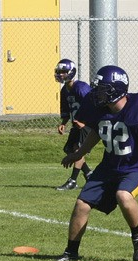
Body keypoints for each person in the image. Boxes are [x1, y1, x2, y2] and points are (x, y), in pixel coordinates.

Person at [57, 65, 138, 261]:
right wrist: (79, 154)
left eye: (103, 89)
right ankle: (71, 252)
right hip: (109, 166)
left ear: (116, 90)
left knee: (123, 195)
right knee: (82, 204)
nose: (97, 93)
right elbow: (97, 131)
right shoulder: (100, 109)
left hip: (137, 166)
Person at [54, 59, 93, 190]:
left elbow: (92, 104)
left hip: (87, 123)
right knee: (70, 149)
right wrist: (63, 123)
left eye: (64, 72)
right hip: (76, 124)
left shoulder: (81, 87)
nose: (61, 74)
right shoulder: (65, 90)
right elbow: (66, 109)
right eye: (59, 72)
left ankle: (73, 181)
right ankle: (89, 174)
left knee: (77, 149)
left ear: (71, 72)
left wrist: (85, 121)